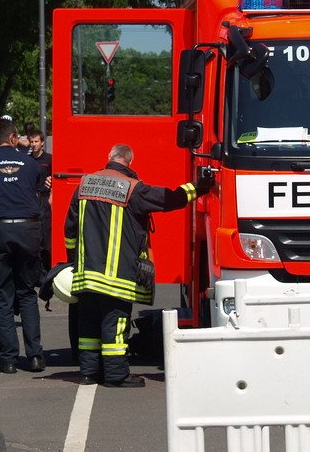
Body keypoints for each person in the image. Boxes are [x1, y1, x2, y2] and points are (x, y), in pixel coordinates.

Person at [64, 144, 213, 387]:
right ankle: (116, 375)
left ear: (109, 157)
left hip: (86, 273)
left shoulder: (84, 184)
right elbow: (169, 199)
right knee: (116, 324)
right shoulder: (133, 189)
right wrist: (198, 187)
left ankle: (89, 373)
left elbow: (70, 229)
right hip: (116, 276)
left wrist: (74, 259)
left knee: (88, 324)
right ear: (130, 162)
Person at [0, 118, 47, 374]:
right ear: (14, 138)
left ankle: (9, 360)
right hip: (28, 229)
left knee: (3, 295)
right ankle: (35, 357)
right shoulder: (31, 164)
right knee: (26, 292)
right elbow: (35, 193)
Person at [28, 130, 53, 273]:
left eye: (36, 141)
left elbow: (55, 177)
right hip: (31, 199)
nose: (34, 144)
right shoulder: (27, 160)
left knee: (45, 234)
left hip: (44, 199)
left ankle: (46, 269)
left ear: (42, 142)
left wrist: (52, 193)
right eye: (31, 142)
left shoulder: (49, 159)